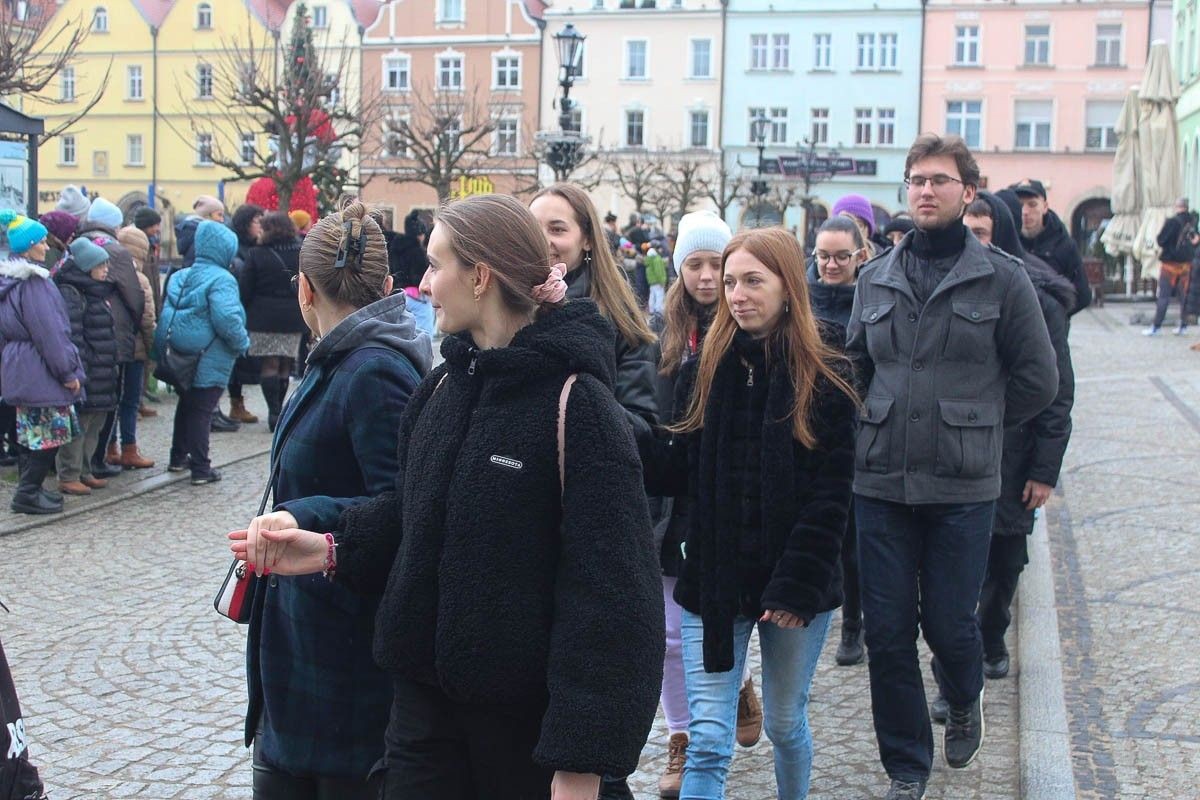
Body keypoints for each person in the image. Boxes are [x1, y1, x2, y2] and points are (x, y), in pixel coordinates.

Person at [230, 194, 664, 800]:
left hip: (524, 739)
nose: (424, 283)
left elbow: (613, 598)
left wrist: (580, 764)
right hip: (423, 723)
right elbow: (415, 513)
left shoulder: (578, 408)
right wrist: (331, 546)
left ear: (481, 276)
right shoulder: (440, 389)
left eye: (436, 266)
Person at [846, 134, 1059, 800]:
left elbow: (1038, 381)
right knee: (885, 632)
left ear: (969, 191)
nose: (926, 191)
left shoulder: (1002, 277)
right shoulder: (874, 276)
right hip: (880, 479)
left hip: (962, 484)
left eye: (939, 180)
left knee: (948, 621)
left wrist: (974, 418)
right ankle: (907, 765)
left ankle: (964, 696)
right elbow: (857, 369)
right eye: (915, 180)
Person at [638, 227, 857, 800]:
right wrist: (623, 439)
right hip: (715, 576)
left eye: (752, 281)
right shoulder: (704, 368)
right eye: (731, 281)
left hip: (795, 582)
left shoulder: (827, 372)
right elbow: (679, 469)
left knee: (785, 722)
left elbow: (832, 496)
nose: (736, 293)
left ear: (789, 286)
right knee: (709, 739)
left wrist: (795, 585)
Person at [240, 202, 433, 798]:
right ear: (385, 285)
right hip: (308, 649)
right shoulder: (342, 356)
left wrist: (306, 515)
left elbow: (404, 506)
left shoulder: (372, 368)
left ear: (303, 289)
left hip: (342, 662)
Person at [959, 192, 1075, 685]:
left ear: (1000, 236)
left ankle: (991, 635)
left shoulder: (1038, 303)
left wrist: (1044, 471)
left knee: (1005, 561)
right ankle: (957, 665)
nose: (973, 244)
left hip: (1016, 457)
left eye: (981, 234)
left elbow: (1056, 394)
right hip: (960, 458)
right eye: (967, 233)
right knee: (959, 566)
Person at [649, 209, 734, 798]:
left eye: (717, 264)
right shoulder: (665, 334)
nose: (707, 277)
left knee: (726, 616)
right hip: (669, 494)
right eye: (696, 265)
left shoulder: (746, 327)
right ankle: (680, 736)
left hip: (722, 491)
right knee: (670, 635)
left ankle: (739, 685)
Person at [530, 184, 658, 437]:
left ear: (587, 239)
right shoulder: (506, 305)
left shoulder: (618, 317)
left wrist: (573, 399)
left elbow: (643, 428)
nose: (543, 240)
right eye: (533, 229)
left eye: (557, 229)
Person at [808, 215, 870, 668]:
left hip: (858, 427)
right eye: (824, 256)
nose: (831, 265)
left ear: (859, 256)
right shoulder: (802, 298)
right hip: (808, 425)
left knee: (851, 538)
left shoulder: (870, 301)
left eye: (840, 257)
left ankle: (853, 624)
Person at [0, 210, 84, 515]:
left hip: (19, 365)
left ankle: (31, 490)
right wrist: (68, 372)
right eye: (41, 242)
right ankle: (27, 493)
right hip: (40, 367)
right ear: (30, 246)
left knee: (33, 432)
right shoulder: (35, 284)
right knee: (48, 433)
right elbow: (51, 333)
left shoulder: (9, 281)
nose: (47, 247)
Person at [156, 219, 250, 485]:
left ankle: (178, 458)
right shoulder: (223, 279)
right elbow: (227, 319)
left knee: (186, 406)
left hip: (181, 356)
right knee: (202, 411)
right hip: (209, 357)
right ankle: (200, 468)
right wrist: (242, 343)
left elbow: (166, 315)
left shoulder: (180, 275)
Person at [76, 197, 147, 478]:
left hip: (88, 334)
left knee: (94, 400)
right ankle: (97, 460)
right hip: (112, 334)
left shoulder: (78, 241)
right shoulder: (114, 251)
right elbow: (134, 294)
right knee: (108, 399)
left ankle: (96, 458)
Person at [52, 238, 121, 496]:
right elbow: (74, 336)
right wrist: (79, 371)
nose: (105, 270)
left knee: (94, 424)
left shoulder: (96, 291)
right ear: (86, 266)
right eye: (101, 265)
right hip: (88, 371)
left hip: (101, 370)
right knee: (78, 427)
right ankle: (68, 474)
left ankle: (85, 469)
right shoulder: (72, 293)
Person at [240, 211, 307, 432]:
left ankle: (273, 411)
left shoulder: (257, 254)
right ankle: (279, 411)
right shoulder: (300, 252)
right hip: (292, 315)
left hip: (264, 316)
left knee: (269, 364)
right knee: (286, 364)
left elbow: (246, 288)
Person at [1010, 179, 1091, 314]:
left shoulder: (1065, 245)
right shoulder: (1008, 241)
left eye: (1032, 204)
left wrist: (1056, 316)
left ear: (1045, 207)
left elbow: (1083, 295)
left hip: (1052, 331)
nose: (1025, 211)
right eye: (1019, 205)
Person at [114, 225, 159, 465]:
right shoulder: (138, 278)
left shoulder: (109, 270)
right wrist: (153, 348)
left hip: (113, 348)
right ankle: (129, 449)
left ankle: (110, 449)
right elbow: (147, 318)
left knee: (112, 400)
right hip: (136, 347)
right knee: (130, 401)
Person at [226, 204, 266, 426]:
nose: (259, 226)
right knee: (236, 357)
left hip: (251, 307)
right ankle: (235, 402)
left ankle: (238, 402)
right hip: (238, 305)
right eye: (256, 221)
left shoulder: (256, 245)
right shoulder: (235, 246)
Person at [1145, 197, 1195, 336]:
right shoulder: (1193, 222)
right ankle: (1183, 326)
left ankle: (1156, 326)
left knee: (1164, 296)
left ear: (1177, 206)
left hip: (1170, 265)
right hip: (1186, 265)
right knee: (1184, 296)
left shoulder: (1173, 222)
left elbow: (1161, 240)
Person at [384, 209, 435, 337]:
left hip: (399, 294)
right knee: (424, 332)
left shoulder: (394, 247)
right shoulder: (417, 251)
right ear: (419, 233)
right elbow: (420, 274)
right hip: (416, 295)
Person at [174, 195, 226, 271]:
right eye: (219, 215)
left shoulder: (192, 232)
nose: (222, 220)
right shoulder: (202, 235)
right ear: (207, 214)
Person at [832, 194, 878, 258]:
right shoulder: (823, 262)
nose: (852, 231)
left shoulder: (885, 263)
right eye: (844, 224)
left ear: (868, 231)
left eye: (859, 225)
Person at [645, 246, 667, 317]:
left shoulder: (648, 261)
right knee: (659, 295)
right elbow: (659, 271)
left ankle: (651, 310)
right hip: (658, 281)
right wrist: (662, 281)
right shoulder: (657, 259)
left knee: (652, 296)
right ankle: (659, 311)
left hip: (651, 282)